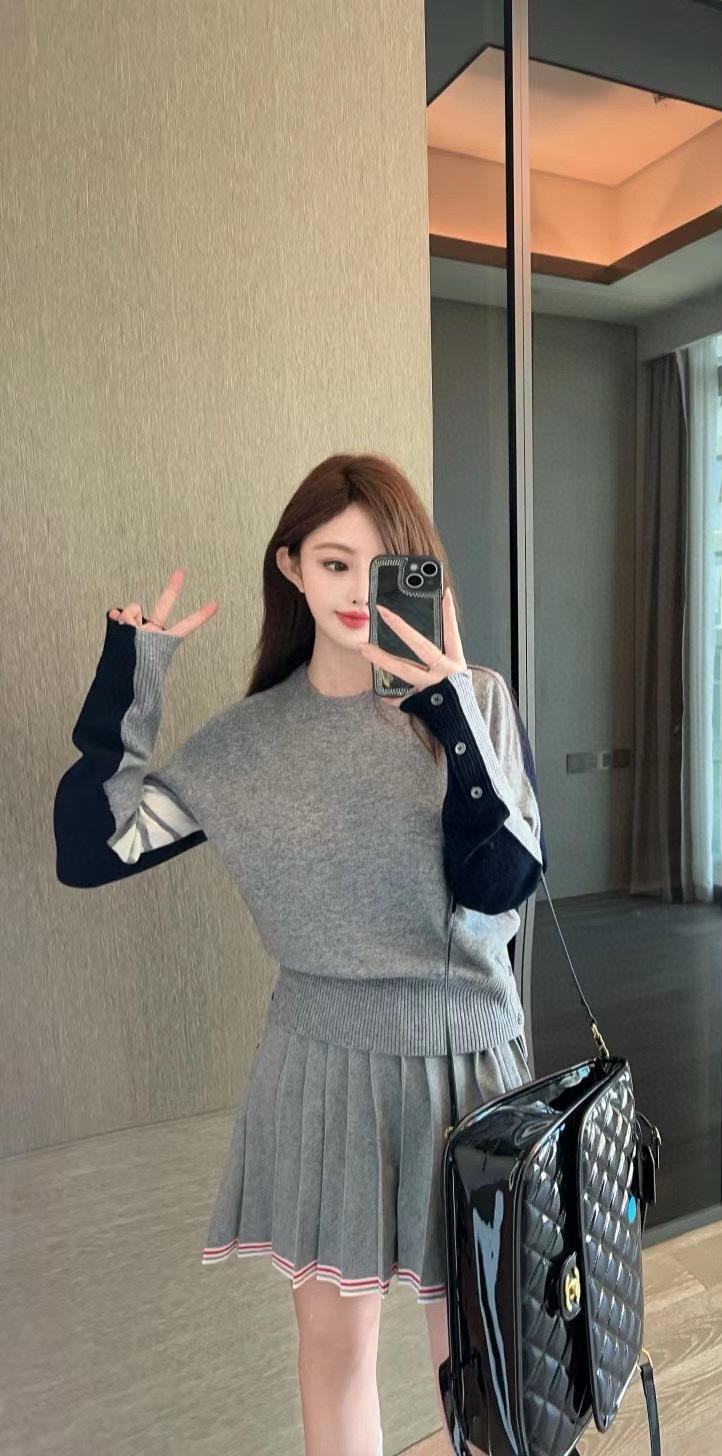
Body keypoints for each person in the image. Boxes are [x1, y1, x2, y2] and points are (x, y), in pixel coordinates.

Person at [52, 453, 547, 1456]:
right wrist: (129, 679)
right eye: (332, 563)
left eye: (381, 565)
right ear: (291, 568)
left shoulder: (477, 702)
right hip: (323, 1071)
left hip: (469, 1070)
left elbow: (504, 884)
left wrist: (450, 713)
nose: (357, 591)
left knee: (486, 1366)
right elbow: (93, 850)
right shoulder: (249, 744)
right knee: (333, 1357)